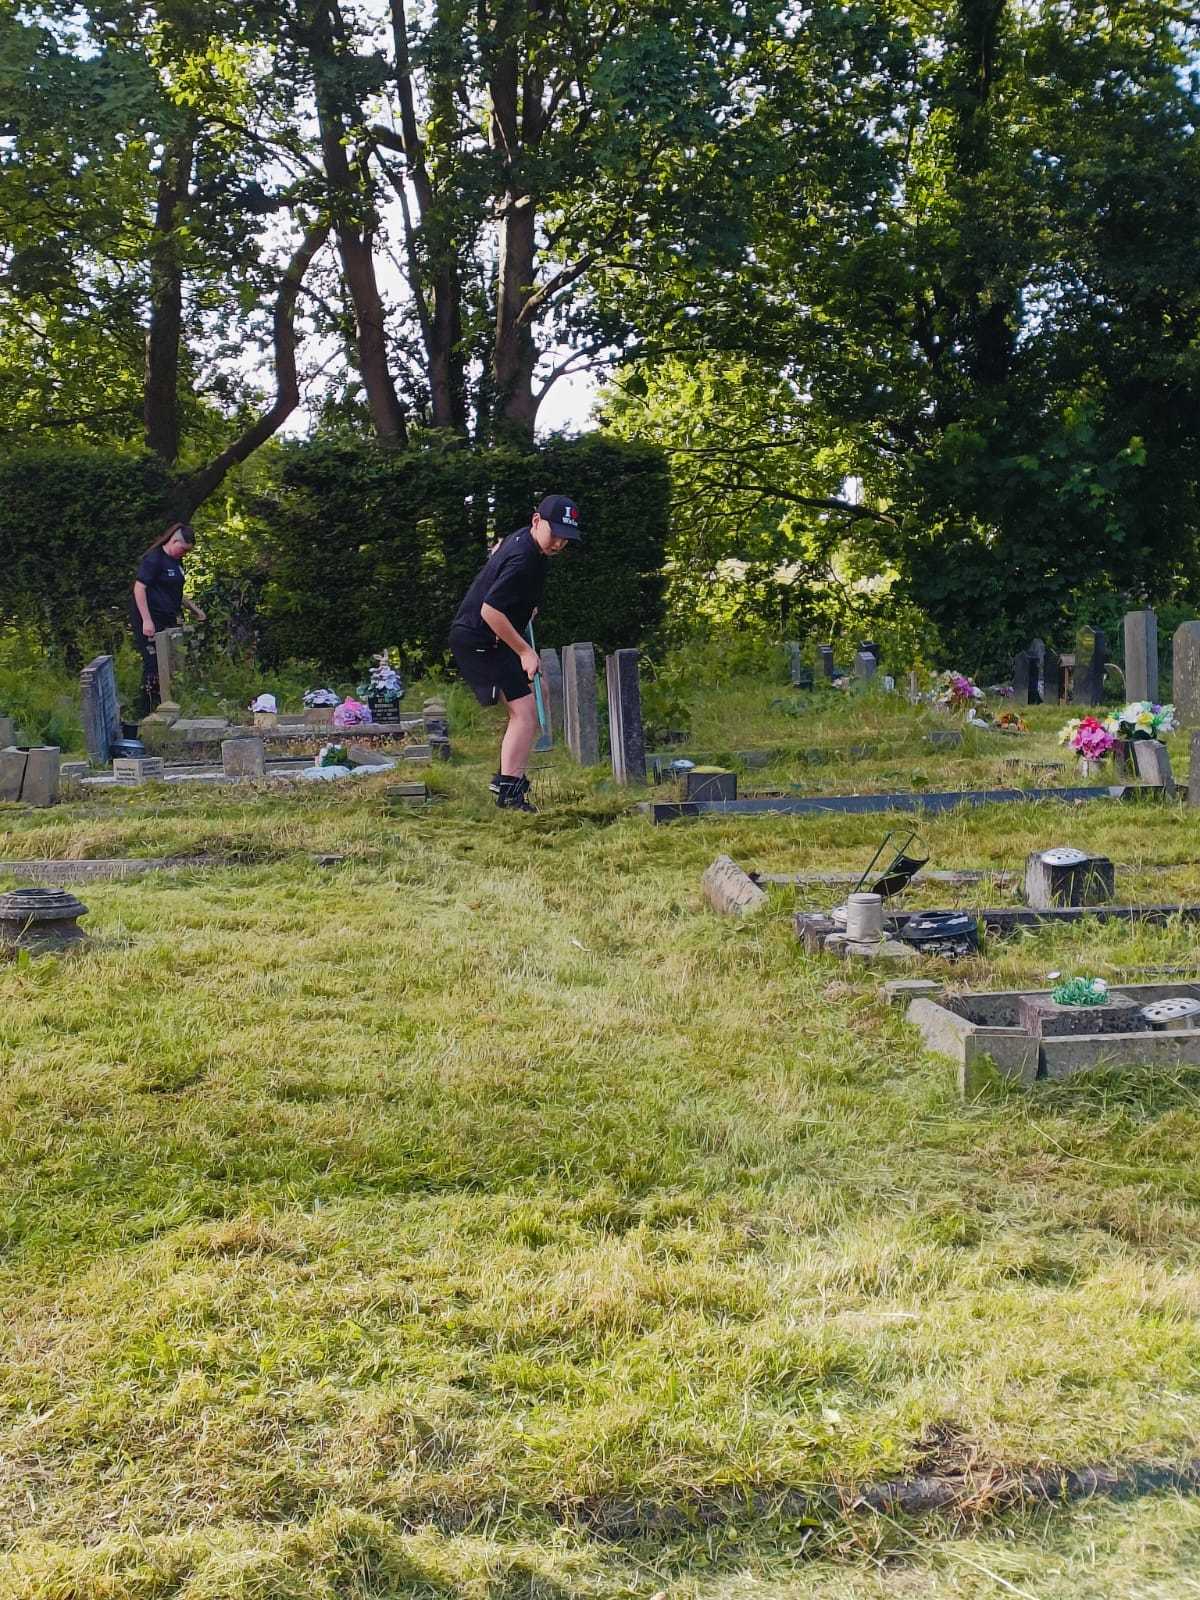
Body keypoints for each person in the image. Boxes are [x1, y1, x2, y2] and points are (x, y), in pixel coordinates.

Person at [449, 493, 581, 811]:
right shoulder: (525, 557)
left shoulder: (525, 542)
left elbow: (498, 556)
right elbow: (491, 611)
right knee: (525, 712)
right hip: (481, 641)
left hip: (492, 637)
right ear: (537, 521)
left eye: (566, 538)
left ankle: (511, 780)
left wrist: (525, 606)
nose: (559, 544)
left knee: (538, 695)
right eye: (556, 534)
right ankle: (509, 791)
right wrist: (524, 651)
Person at [130, 522, 206, 713]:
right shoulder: (154, 560)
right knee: (153, 663)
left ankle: (166, 704)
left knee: (169, 662)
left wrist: (195, 610)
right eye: (182, 549)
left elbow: (176, 592)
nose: (184, 554)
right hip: (150, 618)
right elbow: (139, 588)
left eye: (187, 552)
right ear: (173, 541)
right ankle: (146, 708)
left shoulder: (177, 562)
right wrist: (146, 620)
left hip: (168, 619)